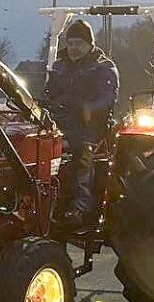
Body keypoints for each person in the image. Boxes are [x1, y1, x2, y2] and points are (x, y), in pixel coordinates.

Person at [44, 19, 119, 233]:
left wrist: (87, 108)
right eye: (71, 43)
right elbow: (48, 92)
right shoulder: (59, 66)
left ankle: (81, 205)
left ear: (89, 45)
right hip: (60, 120)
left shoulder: (103, 67)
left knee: (82, 152)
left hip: (90, 124)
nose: (74, 48)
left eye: (79, 43)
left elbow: (107, 99)